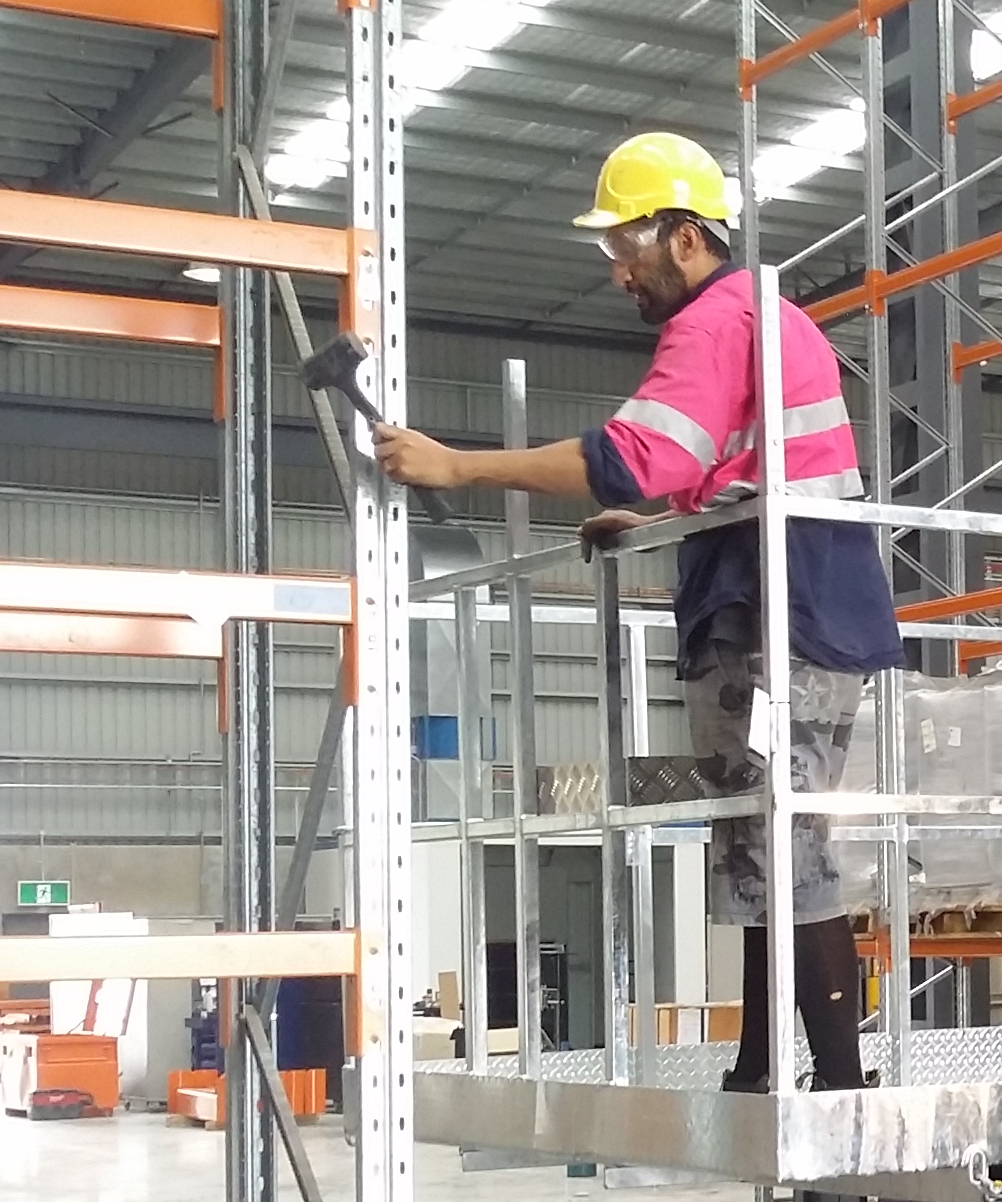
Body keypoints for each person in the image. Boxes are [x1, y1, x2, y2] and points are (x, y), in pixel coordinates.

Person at [370, 132, 899, 1094]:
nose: (618, 271)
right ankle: (761, 1071)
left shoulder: (711, 323)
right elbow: (712, 461)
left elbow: (632, 453)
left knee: (780, 838)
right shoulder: (767, 317)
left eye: (627, 246)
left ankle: (841, 1090)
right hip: (786, 594)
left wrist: (458, 465)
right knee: (760, 835)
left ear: (688, 238)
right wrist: (669, 512)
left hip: (779, 607)